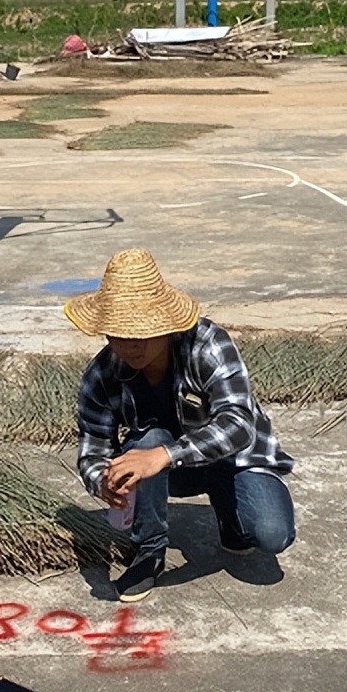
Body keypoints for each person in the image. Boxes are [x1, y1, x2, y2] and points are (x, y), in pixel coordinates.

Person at [64, 248, 296, 603]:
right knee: (146, 442)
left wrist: (164, 455)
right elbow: (93, 448)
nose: (132, 345)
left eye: (143, 332)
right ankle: (149, 550)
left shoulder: (207, 345)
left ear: (167, 325)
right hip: (170, 470)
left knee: (270, 533)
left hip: (234, 459)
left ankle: (230, 514)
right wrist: (103, 481)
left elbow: (238, 425)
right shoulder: (101, 375)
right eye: (120, 334)